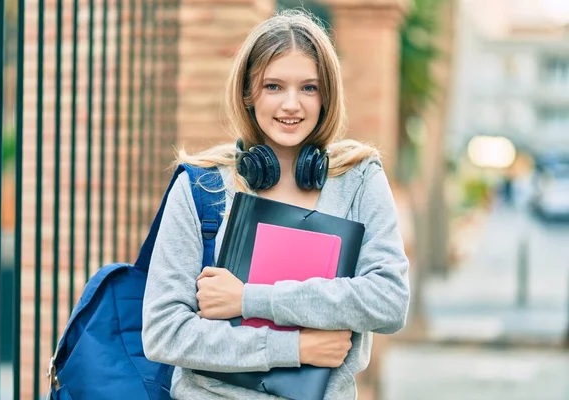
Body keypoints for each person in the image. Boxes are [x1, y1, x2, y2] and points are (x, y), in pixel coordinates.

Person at [142, 10, 410, 400]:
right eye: (273, 86)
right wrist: (295, 349)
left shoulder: (358, 179)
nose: (291, 105)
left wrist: (250, 299)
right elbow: (164, 333)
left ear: (327, 96)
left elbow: (388, 301)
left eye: (308, 88)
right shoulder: (202, 186)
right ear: (248, 94)